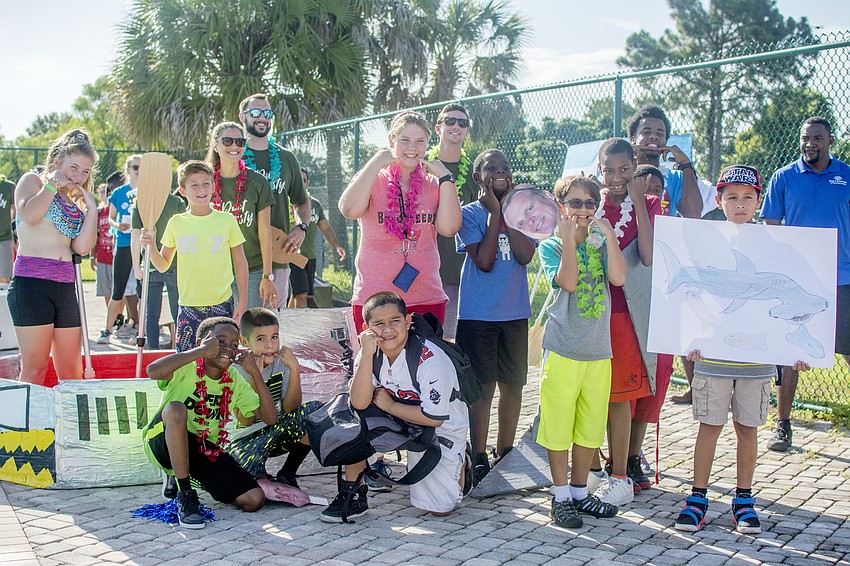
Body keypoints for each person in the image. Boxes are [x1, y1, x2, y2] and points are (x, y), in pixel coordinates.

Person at [674, 164, 812, 534]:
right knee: (709, 427)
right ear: (718, 201)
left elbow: (789, 303)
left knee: (747, 428)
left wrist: (796, 349)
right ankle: (698, 497)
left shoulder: (776, 247)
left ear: (759, 201)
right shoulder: (704, 242)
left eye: (748, 197)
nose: (740, 204)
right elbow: (693, 298)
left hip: (757, 361)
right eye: (731, 197)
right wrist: (690, 337)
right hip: (713, 358)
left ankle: (744, 499)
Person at [320, 291, 469, 522]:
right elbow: (358, 402)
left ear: (408, 322)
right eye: (379, 324)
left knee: (441, 508)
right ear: (366, 328)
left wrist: (388, 405)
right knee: (351, 423)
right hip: (404, 417)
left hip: (440, 426)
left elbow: (435, 418)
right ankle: (354, 492)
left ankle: (462, 462)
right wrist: (367, 353)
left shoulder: (430, 358)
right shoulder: (370, 352)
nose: (387, 329)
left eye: (395, 321)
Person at [537, 175, 626, 528]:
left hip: (597, 349)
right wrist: (569, 240)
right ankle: (559, 497)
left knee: (589, 424)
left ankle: (578, 492)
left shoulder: (601, 242)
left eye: (590, 203)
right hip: (563, 348)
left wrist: (610, 238)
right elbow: (569, 282)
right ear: (562, 207)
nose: (584, 210)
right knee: (558, 423)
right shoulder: (551, 246)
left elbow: (618, 278)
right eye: (575, 203)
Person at [761, 116, 850, 452]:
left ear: (830, 141)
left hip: (842, 276)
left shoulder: (846, 175)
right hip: (797, 282)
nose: (811, 143)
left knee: (848, 350)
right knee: (789, 352)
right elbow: (771, 226)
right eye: (805, 138)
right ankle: (783, 425)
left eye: (818, 138)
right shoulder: (783, 177)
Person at [142, 316, 277, 528]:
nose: (227, 348)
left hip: (203, 449)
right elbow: (153, 371)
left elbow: (270, 418)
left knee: (253, 499)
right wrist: (200, 353)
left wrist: (254, 373)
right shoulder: (187, 365)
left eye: (234, 345)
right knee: (177, 409)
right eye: (220, 341)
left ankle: (185, 476)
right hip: (163, 440)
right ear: (202, 342)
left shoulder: (234, 378)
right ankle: (185, 494)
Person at [339, 110, 462, 331]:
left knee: (424, 365)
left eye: (419, 141)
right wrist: (375, 163)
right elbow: (349, 209)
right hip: (375, 298)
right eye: (404, 140)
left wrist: (446, 179)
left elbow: (449, 228)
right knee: (374, 363)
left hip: (426, 297)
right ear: (391, 141)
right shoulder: (374, 178)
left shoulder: (435, 184)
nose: (412, 148)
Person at [454, 149, 535, 485]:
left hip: (514, 313)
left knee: (513, 385)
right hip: (478, 316)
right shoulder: (469, 214)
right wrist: (493, 215)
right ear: (478, 178)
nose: (500, 172)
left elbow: (525, 255)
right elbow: (485, 261)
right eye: (491, 168)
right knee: (483, 388)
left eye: (505, 167)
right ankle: (479, 455)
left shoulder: (524, 214)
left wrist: (509, 214)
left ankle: (505, 451)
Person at [589, 138, 660, 507]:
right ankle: (592, 467)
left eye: (624, 170)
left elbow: (647, 256)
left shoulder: (648, 203)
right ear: (599, 171)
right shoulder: (589, 203)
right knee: (594, 392)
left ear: (635, 166)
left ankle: (621, 473)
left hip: (627, 315)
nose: (617, 179)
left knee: (620, 396)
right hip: (591, 314)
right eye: (609, 171)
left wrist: (638, 201)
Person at [7, 129, 98, 384]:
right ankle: (28, 425)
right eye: (73, 168)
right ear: (57, 161)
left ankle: (69, 423)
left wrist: (91, 209)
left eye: (85, 171)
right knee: (35, 369)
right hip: (31, 286)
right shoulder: (33, 182)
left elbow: (81, 247)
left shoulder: (74, 202)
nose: (78, 176)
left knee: (71, 373)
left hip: (65, 288)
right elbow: (30, 215)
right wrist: (52, 184)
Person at [140, 160, 248, 352]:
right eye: (194, 185)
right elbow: (163, 265)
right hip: (189, 305)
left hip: (222, 303)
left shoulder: (227, 221)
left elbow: (240, 262)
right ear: (183, 191)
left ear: (213, 186)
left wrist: (243, 300)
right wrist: (151, 246)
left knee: (223, 358)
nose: (201, 189)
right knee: (187, 360)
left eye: (206, 183)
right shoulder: (176, 223)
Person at [625, 164, 676, 492]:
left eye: (656, 189)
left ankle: (632, 454)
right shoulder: (621, 211)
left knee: (654, 383)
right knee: (627, 386)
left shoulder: (668, 219)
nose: (651, 194)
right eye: (644, 188)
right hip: (628, 311)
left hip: (662, 308)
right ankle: (618, 454)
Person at [227, 307, 321, 484]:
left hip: (275, 432)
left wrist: (294, 369)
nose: (270, 345)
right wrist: (256, 377)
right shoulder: (237, 371)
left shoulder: (281, 362)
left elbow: (291, 409)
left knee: (313, 411)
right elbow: (245, 421)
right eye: (261, 339)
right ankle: (258, 474)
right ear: (245, 341)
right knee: (252, 486)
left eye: (274, 337)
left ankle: (287, 473)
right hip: (245, 441)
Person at [239, 93, 311, 304]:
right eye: (256, 112)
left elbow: (301, 201)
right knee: (239, 324)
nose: (262, 118)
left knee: (272, 324)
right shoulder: (234, 154)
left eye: (267, 113)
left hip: (278, 257)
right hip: (240, 257)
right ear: (243, 117)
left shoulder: (286, 157)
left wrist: (302, 227)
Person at [205, 121, 276, 310]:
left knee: (250, 331)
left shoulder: (257, 182)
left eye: (240, 141)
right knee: (219, 332)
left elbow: (264, 231)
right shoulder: (205, 182)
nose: (234, 146)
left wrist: (267, 275)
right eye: (227, 141)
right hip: (215, 270)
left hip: (253, 270)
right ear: (215, 144)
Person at [426, 103, 478, 340]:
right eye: (450, 121)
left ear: (467, 131)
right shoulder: (421, 167)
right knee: (422, 336)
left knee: (451, 339)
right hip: (424, 268)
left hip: (458, 269)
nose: (456, 126)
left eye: (462, 123)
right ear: (438, 128)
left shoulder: (475, 172)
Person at [130, 186, 187, 349]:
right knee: (176, 313)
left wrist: (137, 267)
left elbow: (134, 235)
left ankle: (155, 350)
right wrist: (137, 266)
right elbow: (135, 235)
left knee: (152, 314)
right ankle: (179, 351)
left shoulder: (142, 202)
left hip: (160, 264)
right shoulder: (175, 201)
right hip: (165, 263)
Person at [627, 104, 704, 218]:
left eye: (660, 134)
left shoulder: (676, 178)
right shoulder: (622, 173)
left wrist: (686, 164)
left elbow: (693, 214)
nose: (654, 137)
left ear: (666, 141)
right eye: (647, 132)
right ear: (633, 139)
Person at [288, 168, 346, 309]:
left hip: (310, 256)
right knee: (301, 294)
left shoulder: (315, 204)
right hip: (292, 255)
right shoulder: (285, 203)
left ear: (308, 183)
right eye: (298, 180)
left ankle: (286, 322)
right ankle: (301, 327)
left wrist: (336, 245)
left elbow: (325, 228)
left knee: (299, 295)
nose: (301, 183)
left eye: (304, 180)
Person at [104, 155, 142, 341]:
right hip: (124, 243)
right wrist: (118, 225)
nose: (138, 170)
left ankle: (142, 329)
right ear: (127, 169)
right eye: (135, 166)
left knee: (143, 289)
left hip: (143, 244)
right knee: (117, 290)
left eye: (142, 167)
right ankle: (107, 330)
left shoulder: (148, 191)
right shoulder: (119, 192)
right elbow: (110, 217)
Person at [0, 172, 16, 284]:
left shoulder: (8, 186)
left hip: (4, 236)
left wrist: (17, 235)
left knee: (4, 277)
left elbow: (17, 211)